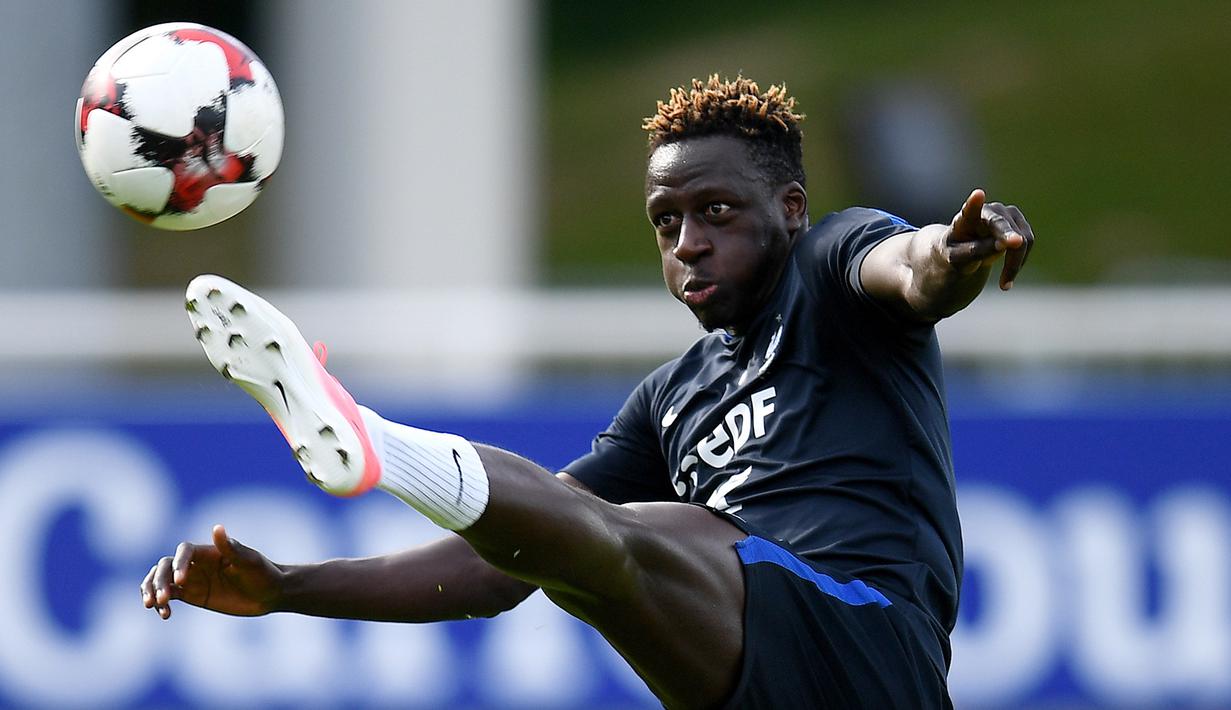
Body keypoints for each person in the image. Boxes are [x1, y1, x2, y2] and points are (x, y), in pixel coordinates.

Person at [142, 75, 1034, 709]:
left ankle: (373, 440)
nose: (686, 241)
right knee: (572, 559)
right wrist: (288, 585)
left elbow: (910, 271)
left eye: (715, 211)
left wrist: (951, 253)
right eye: (665, 221)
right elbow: (493, 572)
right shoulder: (670, 400)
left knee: (645, 538)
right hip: (751, 681)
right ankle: (377, 447)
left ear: (791, 211)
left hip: (868, 647)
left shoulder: (831, 264)